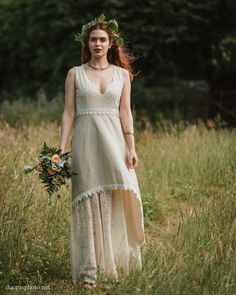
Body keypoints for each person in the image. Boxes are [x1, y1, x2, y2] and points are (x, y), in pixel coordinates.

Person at [59, 14, 145, 289]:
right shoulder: (75, 73)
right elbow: (68, 113)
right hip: (85, 143)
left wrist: (131, 146)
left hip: (115, 144)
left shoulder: (122, 75)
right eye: (93, 39)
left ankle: (113, 262)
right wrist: (60, 149)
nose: (97, 43)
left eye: (102, 39)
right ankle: (88, 271)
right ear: (87, 43)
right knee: (86, 201)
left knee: (116, 197)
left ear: (111, 44)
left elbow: (126, 113)